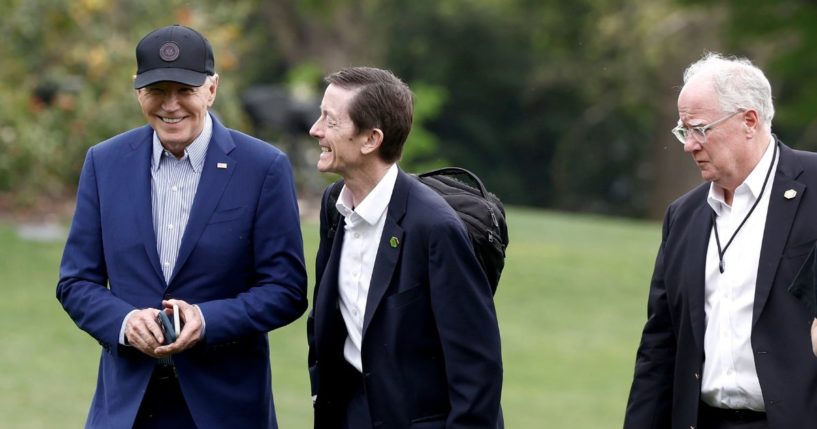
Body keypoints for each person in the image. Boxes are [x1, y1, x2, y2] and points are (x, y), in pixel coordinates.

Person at [56, 24, 307, 428]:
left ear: (211, 89)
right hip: (127, 410)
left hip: (226, 410)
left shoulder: (263, 167)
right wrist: (124, 322)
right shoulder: (104, 163)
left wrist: (206, 320)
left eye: (184, 90)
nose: (170, 105)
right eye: (157, 90)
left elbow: (287, 290)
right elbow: (76, 282)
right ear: (138, 92)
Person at [624, 52, 817, 429]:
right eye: (683, 131)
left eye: (699, 129)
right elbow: (659, 349)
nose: (689, 145)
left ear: (749, 120)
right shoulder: (683, 216)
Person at [305, 67, 503, 428]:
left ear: (370, 140)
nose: (315, 130)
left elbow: (476, 369)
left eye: (330, 121)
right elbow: (324, 320)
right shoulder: (334, 204)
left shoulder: (436, 229)